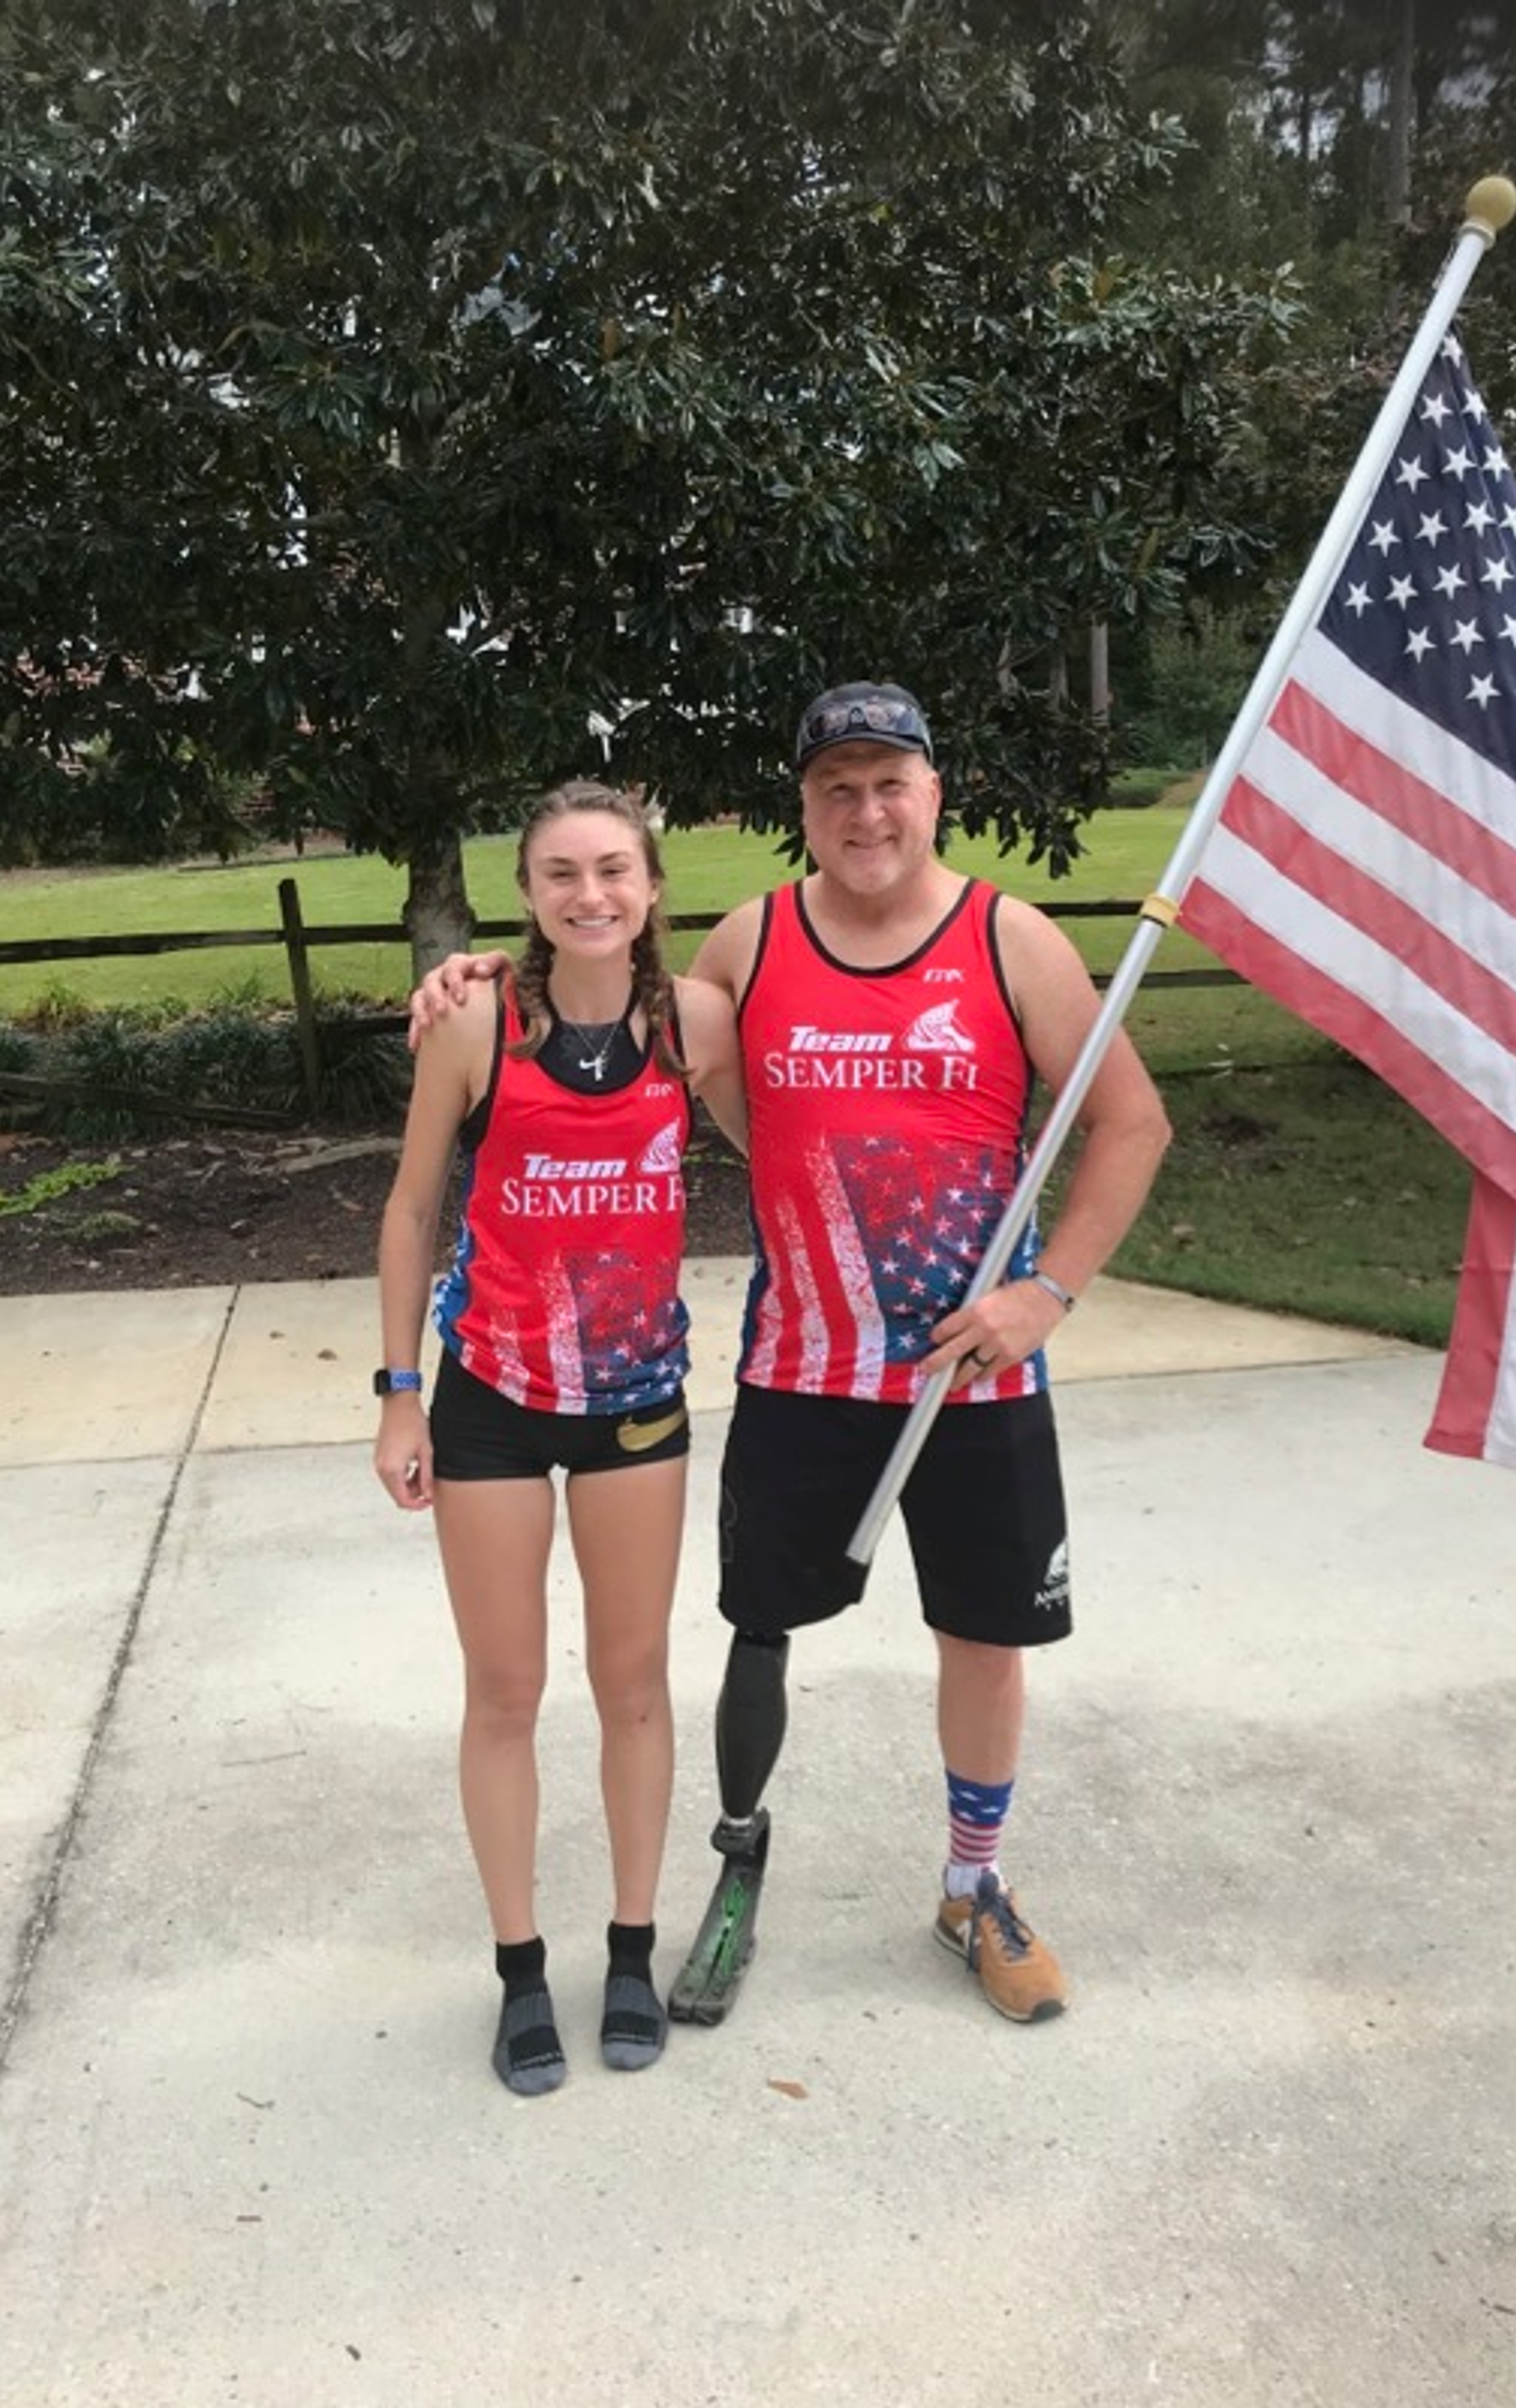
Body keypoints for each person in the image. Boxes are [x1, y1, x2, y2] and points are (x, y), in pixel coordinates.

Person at [411, 682, 1170, 2027]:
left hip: (970, 1374)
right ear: (804, 809)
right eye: (837, 788)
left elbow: (1132, 1124)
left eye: (891, 783)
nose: (866, 811)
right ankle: (737, 1865)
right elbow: (613, 1001)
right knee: (758, 1630)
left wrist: (1046, 1293)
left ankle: (974, 1886)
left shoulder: (1015, 942)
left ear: (934, 792)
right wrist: (476, 975)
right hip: (801, 1369)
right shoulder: (753, 942)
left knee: (985, 1641)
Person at [374, 779, 746, 2096]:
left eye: (614, 872)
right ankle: (521, 1968)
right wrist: (398, 1390)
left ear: (652, 888)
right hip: (488, 1396)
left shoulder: (695, 1023)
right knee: (506, 1691)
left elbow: (787, 1143)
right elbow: (415, 1210)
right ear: (526, 894)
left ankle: (632, 1950)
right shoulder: (479, 1018)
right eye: (561, 875)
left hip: (635, 1400)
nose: (591, 895)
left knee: (634, 1682)